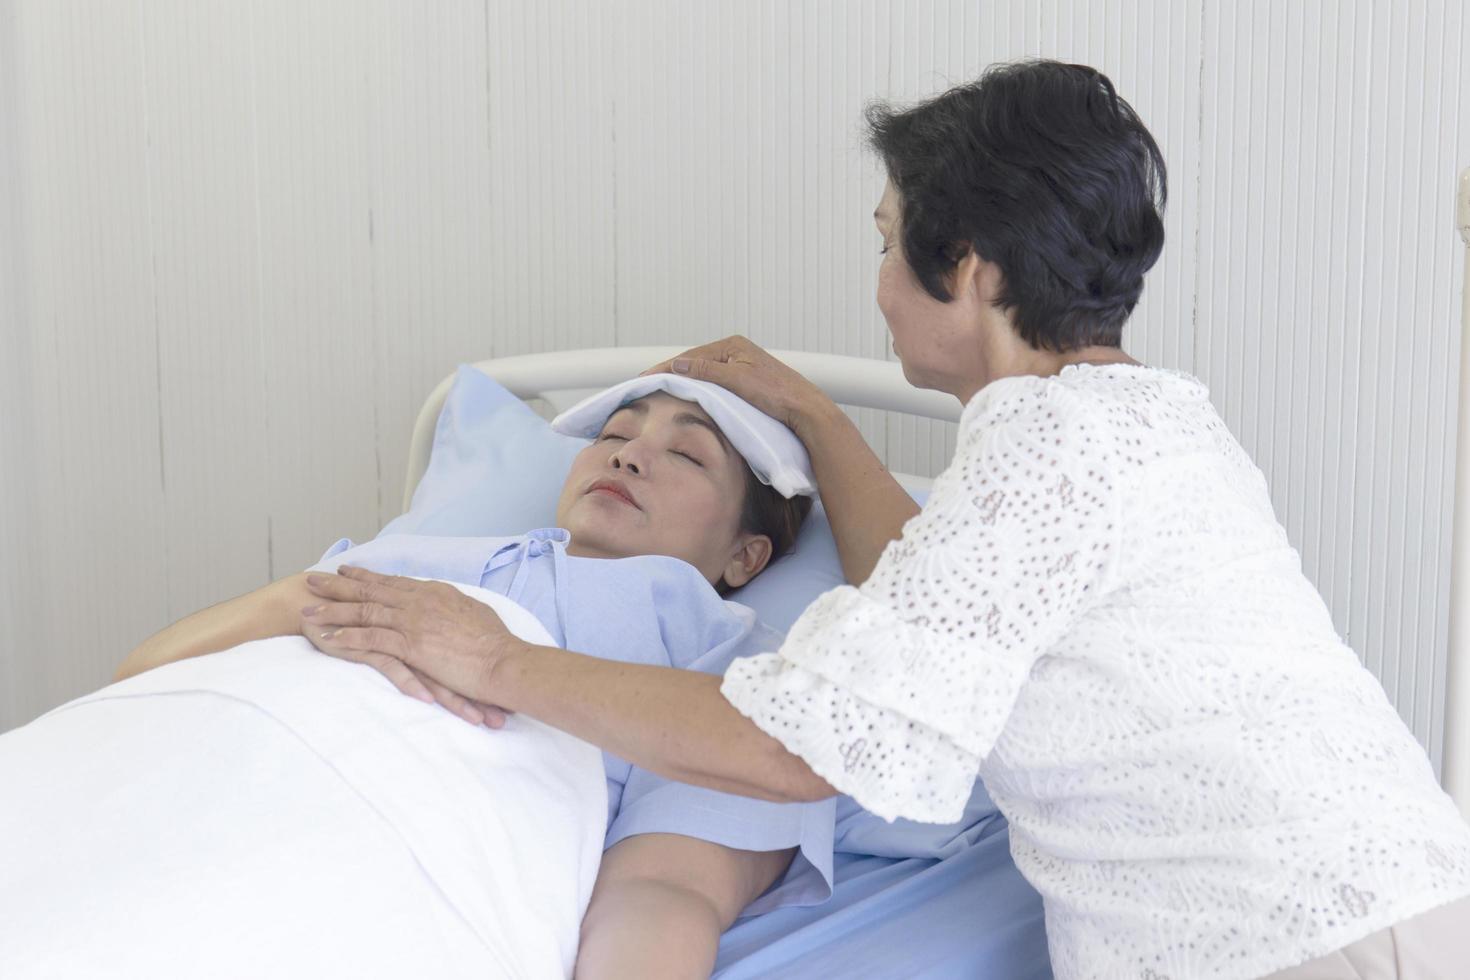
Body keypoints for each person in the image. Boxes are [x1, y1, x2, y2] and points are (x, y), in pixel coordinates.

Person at [302, 60, 1470, 979]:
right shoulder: (1133, 422)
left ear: (964, 266)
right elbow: (925, 594)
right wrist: (812, 414)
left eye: (883, 239)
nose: (875, 281)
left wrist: (497, 656)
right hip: (1370, 907)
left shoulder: (1052, 455)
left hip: (1306, 941)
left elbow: (798, 746)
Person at [107, 387, 825, 979]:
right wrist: (290, 600)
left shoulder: (734, 665)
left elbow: (665, 889)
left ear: (745, 554)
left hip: (378, 853)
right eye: (613, 434)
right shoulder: (407, 557)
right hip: (192, 776)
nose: (630, 455)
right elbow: (139, 681)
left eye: (686, 454)